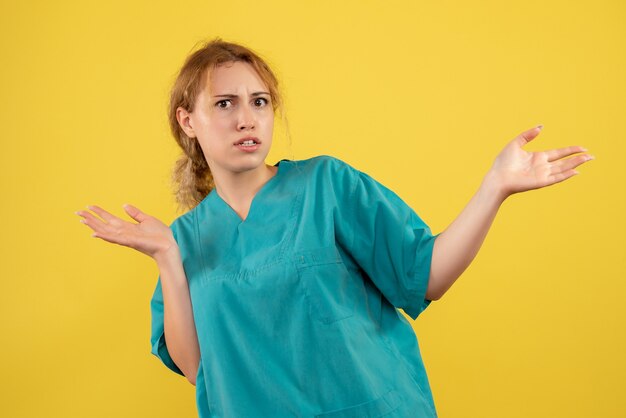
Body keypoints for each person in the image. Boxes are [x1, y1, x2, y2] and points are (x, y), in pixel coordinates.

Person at [75, 38, 593, 417]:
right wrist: (167, 258)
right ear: (189, 121)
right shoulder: (183, 239)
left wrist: (494, 188)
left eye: (259, 102)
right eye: (225, 104)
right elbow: (198, 371)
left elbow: (426, 275)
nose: (247, 119)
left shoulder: (327, 185)